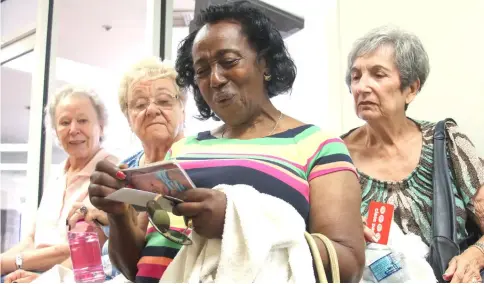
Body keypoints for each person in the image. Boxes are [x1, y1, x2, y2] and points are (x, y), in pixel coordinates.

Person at [89, 1, 365, 282]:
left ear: (265, 63)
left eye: (229, 61)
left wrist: (234, 222)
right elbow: (139, 265)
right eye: (202, 70)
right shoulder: (182, 149)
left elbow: (348, 265)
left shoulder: (316, 146)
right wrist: (119, 213)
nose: (216, 78)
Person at [341, 25, 484, 283]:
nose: (362, 87)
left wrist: (474, 256)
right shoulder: (336, 157)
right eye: (355, 77)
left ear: (411, 88)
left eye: (378, 74)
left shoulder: (447, 141)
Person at [0, 85, 118, 277]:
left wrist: (14, 263)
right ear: (55, 131)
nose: (73, 130)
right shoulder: (58, 174)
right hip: (30, 270)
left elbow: (88, 247)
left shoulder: (111, 172)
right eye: (64, 122)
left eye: (82, 120)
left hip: (70, 275)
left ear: (101, 126)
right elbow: (32, 238)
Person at [88, 57, 187, 283]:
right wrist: (114, 214)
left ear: (182, 108)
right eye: (140, 105)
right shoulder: (124, 169)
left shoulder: (198, 160)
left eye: (164, 101)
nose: (151, 110)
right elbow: (128, 267)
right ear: (128, 118)